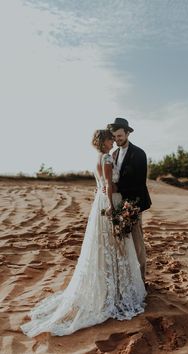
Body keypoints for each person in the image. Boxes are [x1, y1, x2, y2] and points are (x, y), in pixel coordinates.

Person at [20, 129, 146, 337]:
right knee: (115, 244)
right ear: (104, 142)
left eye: (115, 138)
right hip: (109, 204)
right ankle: (115, 290)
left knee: (109, 245)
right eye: (110, 139)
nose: (113, 141)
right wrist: (112, 210)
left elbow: (101, 185)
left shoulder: (99, 157)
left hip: (102, 203)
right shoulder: (106, 157)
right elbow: (107, 184)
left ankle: (113, 285)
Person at [107, 118, 152, 281]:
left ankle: (141, 279)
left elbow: (140, 182)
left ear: (127, 133)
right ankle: (128, 278)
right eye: (115, 136)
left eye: (120, 136)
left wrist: (123, 196)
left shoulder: (139, 153)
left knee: (137, 242)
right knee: (123, 241)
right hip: (119, 202)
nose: (117, 139)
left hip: (135, 203)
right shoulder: (113, 154)